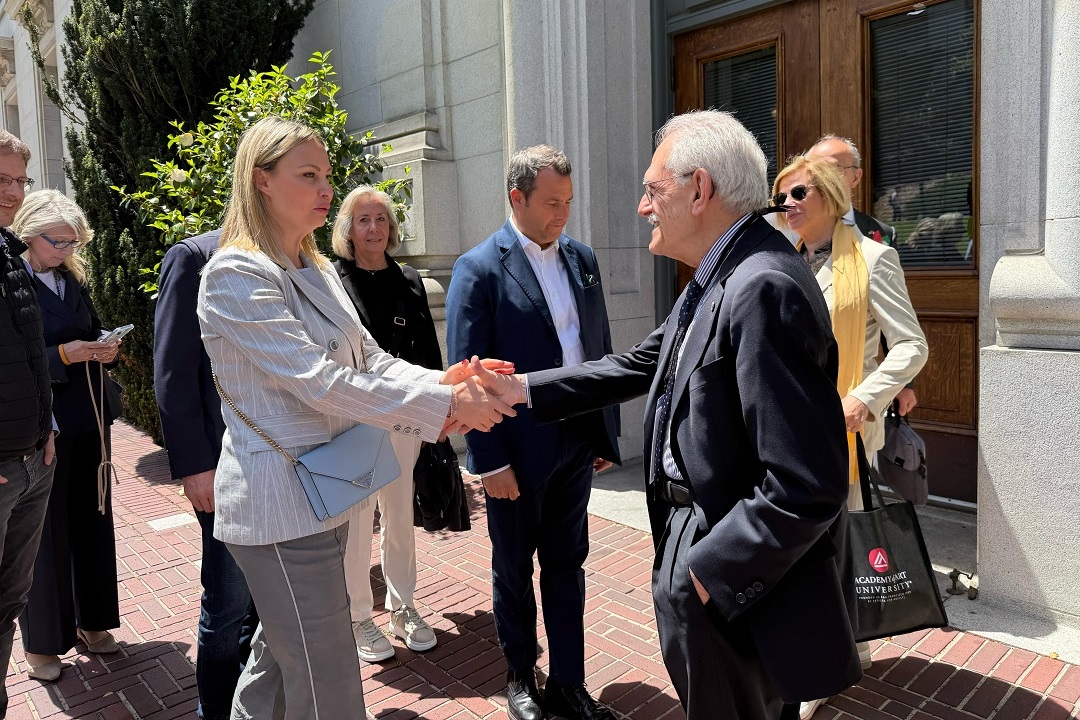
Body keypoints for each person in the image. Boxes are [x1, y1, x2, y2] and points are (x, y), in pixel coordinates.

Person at [469, 110, 860, 720]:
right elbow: (637, 364)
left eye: (653, 189)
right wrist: (519, 389)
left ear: (699, 189)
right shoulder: (721, 273)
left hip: (727, 577)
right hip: (702, 554)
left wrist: (706, 574)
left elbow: (808, 483)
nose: (641, 207)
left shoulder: (762, 286)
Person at [196, 116, 515, 719]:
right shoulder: (235, 274)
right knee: (327, 674)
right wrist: (446, 408)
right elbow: (319, 383)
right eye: (308, 175)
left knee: (278, 664)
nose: (326, 189)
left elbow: (370, 358)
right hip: (280, 507)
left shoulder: (313, 266)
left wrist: (443, 381)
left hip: (327, 489)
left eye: (326, 175)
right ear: (261, 180)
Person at [446, 145, 620, 720]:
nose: (562, 214)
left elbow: (597, 347)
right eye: (551, 203)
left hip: (575, 442)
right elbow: (468, 375)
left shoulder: (582, 257)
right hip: (516, 451)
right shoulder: (478, 269)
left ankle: (569, 682)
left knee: (568, 563)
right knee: (514, 567)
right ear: (516, 198)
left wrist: (601, 431)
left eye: (567, 202)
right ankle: (521, 675)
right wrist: (490, 461)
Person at [771, 156, 928, 718]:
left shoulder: (873, 259)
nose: (786, 203)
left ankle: (828, 661)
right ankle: (839, 645)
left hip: (844, 432)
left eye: (798, 193)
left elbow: (911, 345)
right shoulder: (783, 261)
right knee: (804, 545)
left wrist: (865, 398)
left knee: (832, 547)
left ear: (831, 195)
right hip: (788, 428)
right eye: (780, 195)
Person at [13, 190, 123, 682]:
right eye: (57, 241)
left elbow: (89, 327)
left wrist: (104, 346)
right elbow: (14, 356)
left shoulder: (70, 279)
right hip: (43, 422)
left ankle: (93, 620)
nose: (65, 250)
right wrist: (63, 356)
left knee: (92, 517)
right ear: (28, 233)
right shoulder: (12, 282)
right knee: (45, 532)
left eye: (73, 242)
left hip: (89, 414)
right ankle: (43, 643)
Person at [331, 185, 443, 662]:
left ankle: (403, 607)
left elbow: (428, 350)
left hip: (402, 417)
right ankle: (359, 616)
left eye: (381, 219)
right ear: (348, 229)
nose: (374, 228)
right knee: (358, 524)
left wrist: (440, 405)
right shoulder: (331, 281)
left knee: (399, 516)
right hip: (354, 418)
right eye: (363, 220)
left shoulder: (409, 279)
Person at [154, 228, 259, 720]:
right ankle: (216, 711)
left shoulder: (292, 255)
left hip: (281, 466)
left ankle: (253, 704)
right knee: (228, 603)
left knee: (265, 604)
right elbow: (173, 372)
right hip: (224, 469)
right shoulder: (194, 257)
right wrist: (195, 465)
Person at [0, 129, 56, 717]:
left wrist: (47, 428)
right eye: (1, 179)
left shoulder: (10, 257)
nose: (14, 193)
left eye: (20, 180)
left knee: (8, 603)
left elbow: (28, 353)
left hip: (33, 461)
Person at [805, 135, 918, 416]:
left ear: (855, 177)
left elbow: (888, 311)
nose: (821, 178)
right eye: (813, 170)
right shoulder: (791, 232)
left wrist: (901, 383)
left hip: (851, 394)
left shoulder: (877, 235)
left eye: (832, 169)